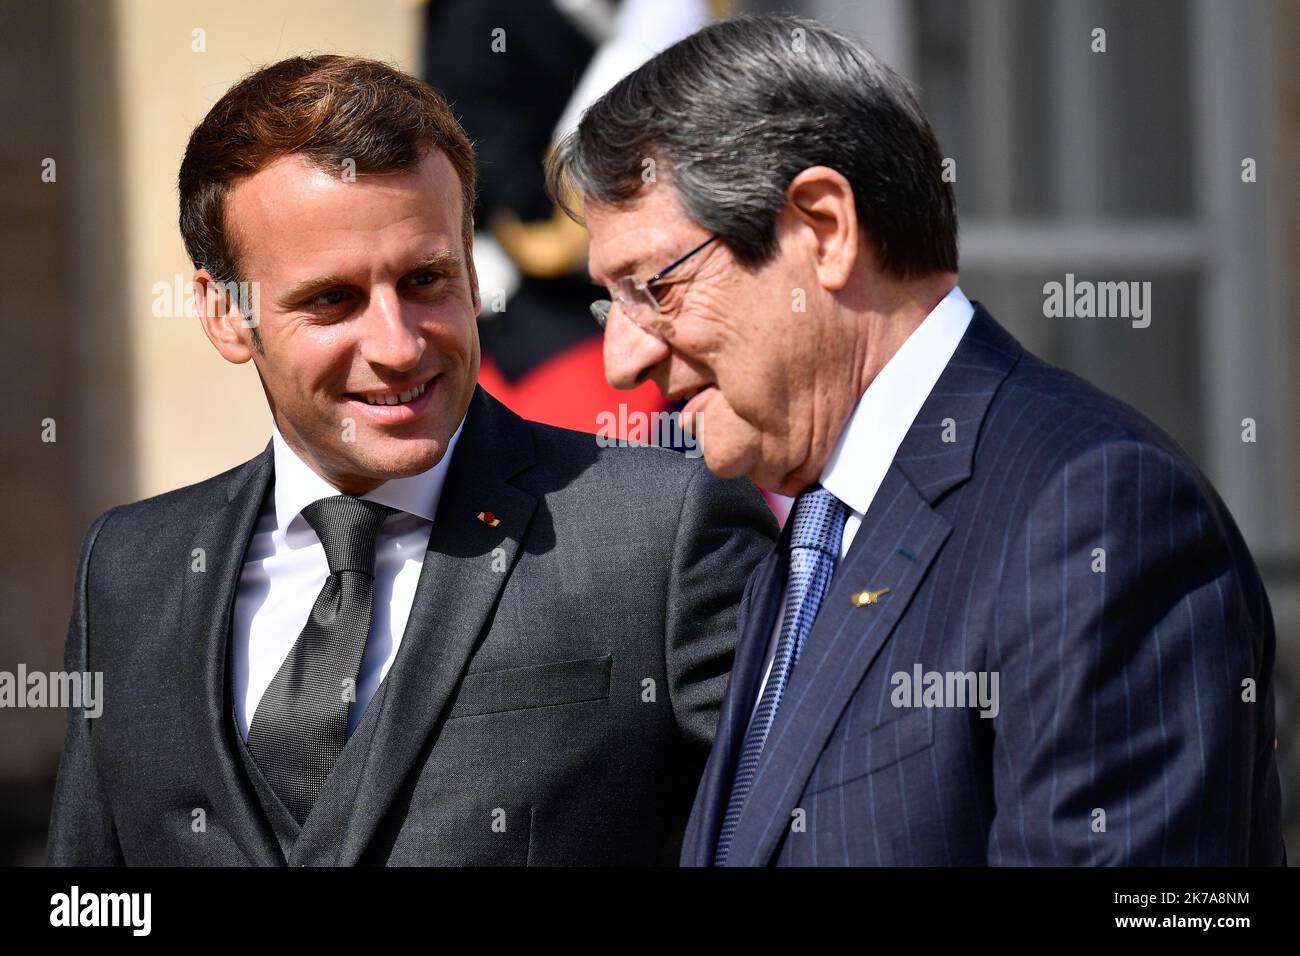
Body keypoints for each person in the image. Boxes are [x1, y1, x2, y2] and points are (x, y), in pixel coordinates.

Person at [548, 14, 1286, 865]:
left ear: (822, 228)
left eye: (654, 288)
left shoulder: (1097, 513)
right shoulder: (819, 528)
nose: (620, 358)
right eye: (612, 300)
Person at [47, 55, 775, 866]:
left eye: (426, 279)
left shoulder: (660, 532)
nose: (398, 347)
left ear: (468, 265)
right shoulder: (129, 569)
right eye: (332, 300)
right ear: (226, 314)